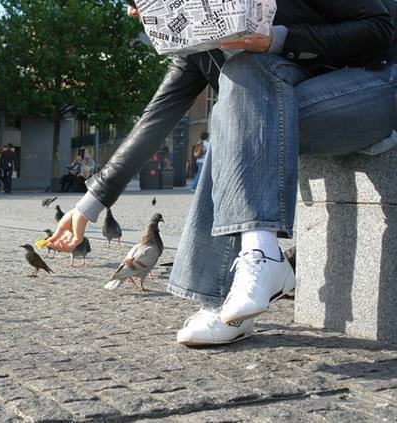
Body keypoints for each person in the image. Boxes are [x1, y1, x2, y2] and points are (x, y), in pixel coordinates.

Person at [48, 0, 396, 347]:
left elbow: (380, 28)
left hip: (374, 84)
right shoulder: (202, 36)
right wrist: (89, 205)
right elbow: (158, 117)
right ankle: (254, 270)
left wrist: (276, 39)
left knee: (237, 119)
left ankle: (220, 295)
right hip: (281, 101)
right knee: (241, 86)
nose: (132, 11)